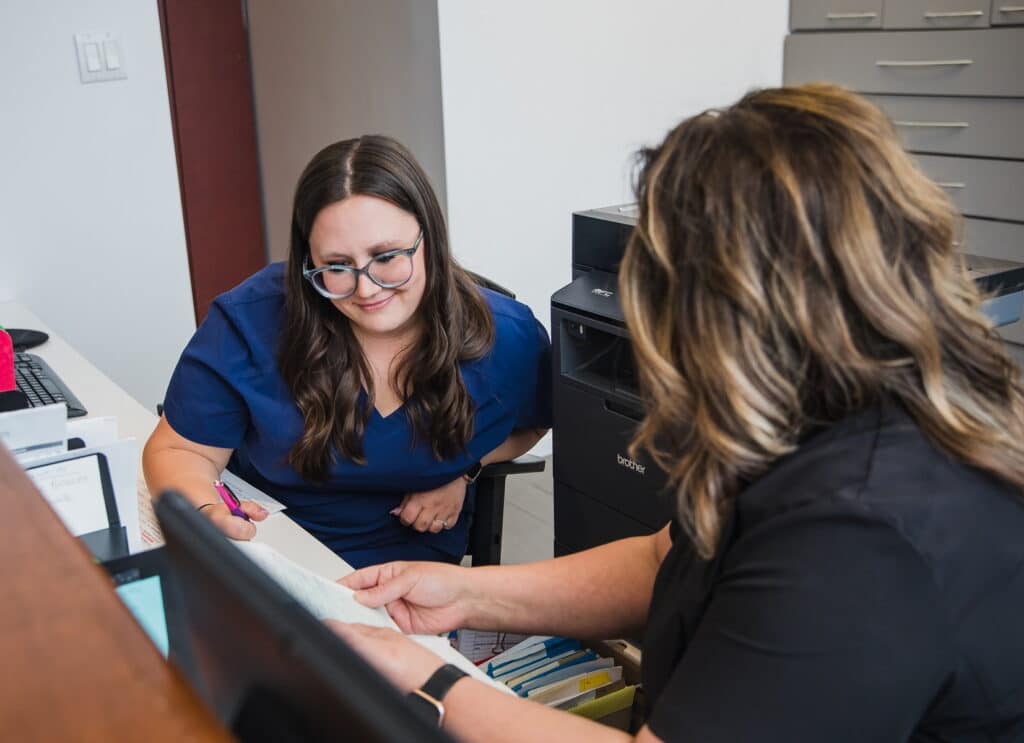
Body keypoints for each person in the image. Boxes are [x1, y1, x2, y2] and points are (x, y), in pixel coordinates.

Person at [327, 84, 1024, 741]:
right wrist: (464, 592)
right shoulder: (810, 409)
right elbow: (664, 557)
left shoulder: (863, 531)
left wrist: (431, 680)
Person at [143, 135, 550, 569]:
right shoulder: (251, 321)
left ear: (429, 236)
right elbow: (181, 451)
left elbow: (532, 423)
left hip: (410, 566)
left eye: (387, 257)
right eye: (336, 267)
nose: (367, 288)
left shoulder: (508, 336)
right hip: (272, 543)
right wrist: (207, 513)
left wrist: (466, 466)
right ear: (306, 262)